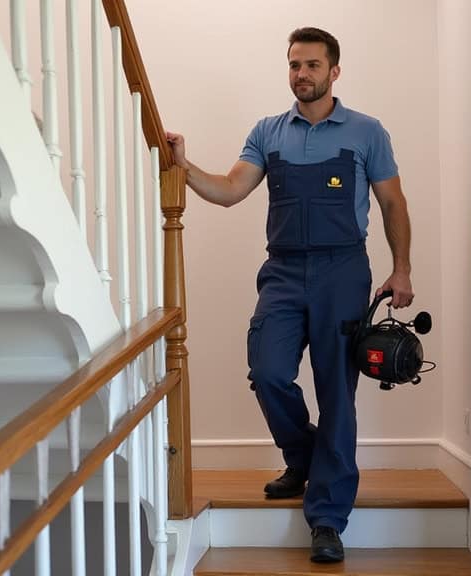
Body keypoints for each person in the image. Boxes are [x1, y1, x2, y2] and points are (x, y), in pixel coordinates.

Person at [166, 27, 414, 563]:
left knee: (336, 396)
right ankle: (303, 457)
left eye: (312, 65)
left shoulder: (367, 132)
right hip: (282, 273)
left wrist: (402, 270)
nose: (301, 74)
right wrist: (184, 166)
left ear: (334, 72)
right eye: (294, 65)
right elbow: (231, 189)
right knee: (270, 371)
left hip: (343, 270)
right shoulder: (268, 132)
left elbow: (393, 203)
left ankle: (326, 519)